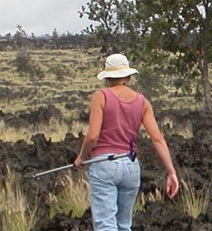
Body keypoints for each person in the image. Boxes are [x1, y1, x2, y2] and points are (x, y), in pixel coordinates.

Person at [75, 53, 179, 231]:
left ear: (107, 76)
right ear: (128, 75)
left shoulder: (101, 96)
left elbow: (92, 136)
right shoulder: (142, 102)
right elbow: (158, 139)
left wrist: (81, 157)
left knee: (105, 224)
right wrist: (171, 172)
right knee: (124, 225)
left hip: (104, 165)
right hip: (130, 165)